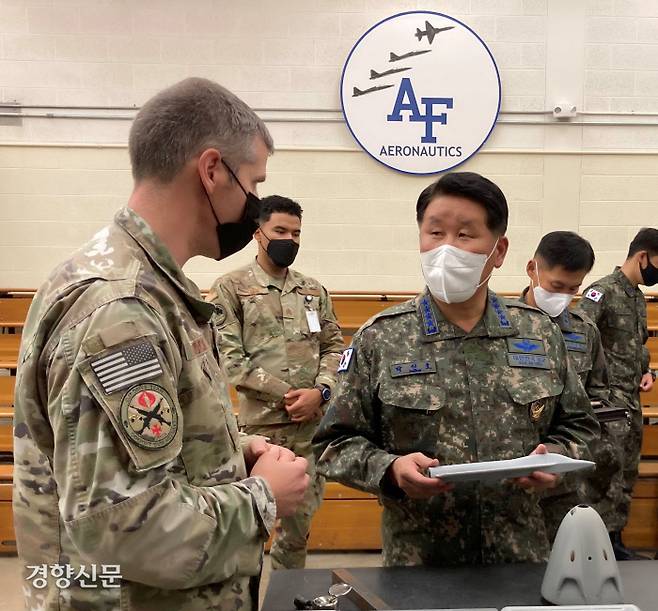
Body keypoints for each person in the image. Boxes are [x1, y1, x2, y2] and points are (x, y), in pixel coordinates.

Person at [13, 78, 310, 611]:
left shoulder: (144, 286)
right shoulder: (122, 310)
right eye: (253, 182)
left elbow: (128, 454)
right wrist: (262, 496)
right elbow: (124, 528)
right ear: (212, 170)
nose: (256, 203)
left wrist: (230, 452)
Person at [313, 172, 600, 567]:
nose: (446, 248)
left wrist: (555, 456)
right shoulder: (381, 338)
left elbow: (580, 427)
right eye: (434, 233)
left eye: (465, 235)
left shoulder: (539, 332)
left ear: (498, 252)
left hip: (520, 556)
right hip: (420, 563)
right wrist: (390, 469)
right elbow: (333, 444)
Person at [207, 194, 343, 569]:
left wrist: (321, 391)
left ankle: (288, 597)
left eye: (297, 233)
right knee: (247, 530)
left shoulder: (313, 290)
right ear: (259, 233)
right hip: (259, 437)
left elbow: (335, 347)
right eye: (280, 230)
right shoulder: (230, 288)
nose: (290, 240)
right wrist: (290, 395)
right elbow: (230, 361)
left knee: (297, 534)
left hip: (308, 432)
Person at [520, 231, 623, 542]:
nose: (563, 295)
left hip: (562, 481)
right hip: (512, 474)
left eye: (573, 289)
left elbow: (598, 396)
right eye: (556, 286)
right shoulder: (500, 326)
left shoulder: (584, 331)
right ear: (532, 269)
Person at [576, 227, 658, 559]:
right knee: (605, 475)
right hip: (607, 403)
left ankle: (617, 540)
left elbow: (636, 345)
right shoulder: (602, 292)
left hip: (630, 399)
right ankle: (598, 545)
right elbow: (580, 340)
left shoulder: (637, 296)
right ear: (643, 256)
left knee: (627, 472)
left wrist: (646, 370)